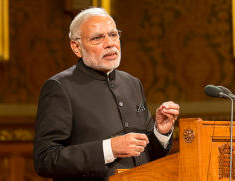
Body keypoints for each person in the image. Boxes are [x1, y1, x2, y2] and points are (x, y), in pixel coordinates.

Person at [33, 7, 180, 181]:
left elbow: (147, 156)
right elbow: (45, 159)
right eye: (97, 38)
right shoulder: (59, 87)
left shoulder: (132, 83)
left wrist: (160, 133)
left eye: (113, 34)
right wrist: (109, 149)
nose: (110, 43)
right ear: (76, 47)